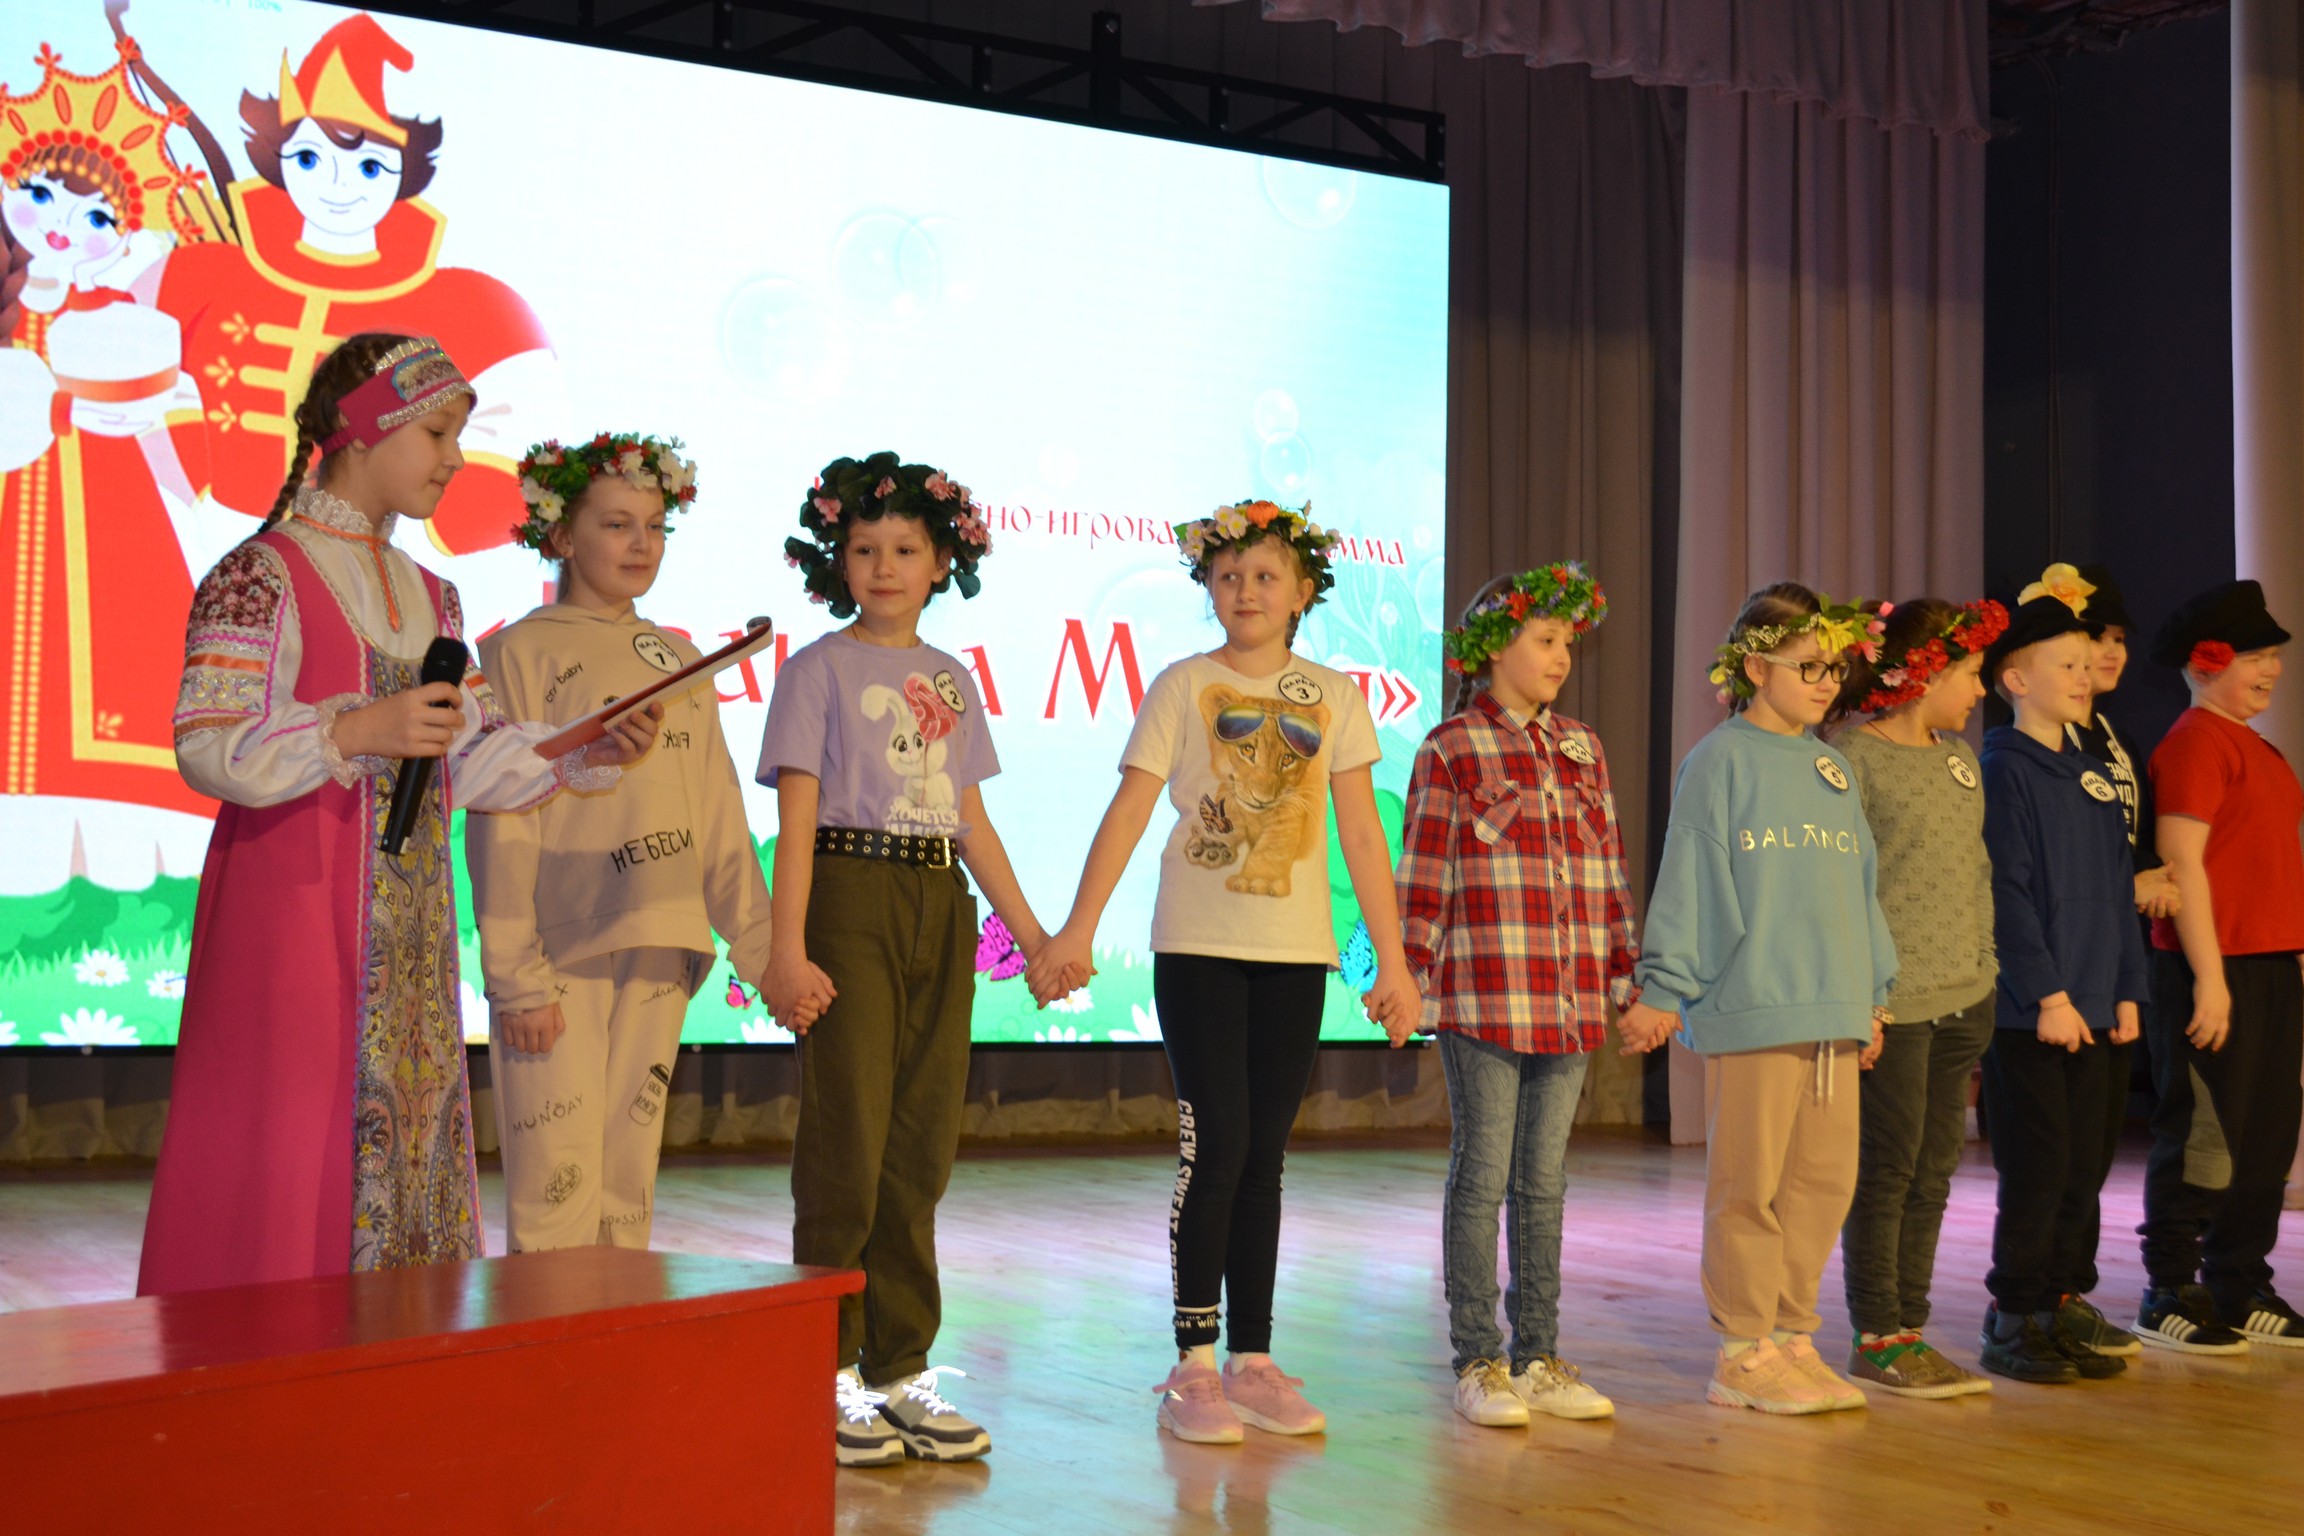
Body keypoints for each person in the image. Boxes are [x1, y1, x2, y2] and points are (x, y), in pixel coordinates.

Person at [136, 334, 657, 1297]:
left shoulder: (434, 596)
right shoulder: (261, 573)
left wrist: (584, 746)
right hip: (290, 913)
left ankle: (390, 1354)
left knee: (403, 1150)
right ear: (361, 431)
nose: (455, 459)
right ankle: (261, 1349)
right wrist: (355, 730)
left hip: (408, 935)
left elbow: (473, 755)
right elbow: (208, 743)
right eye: (436, 433)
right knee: (288, 1144)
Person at [1031, 498, 1419, 1446]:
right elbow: (1129, 811)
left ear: (1303, 590)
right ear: (1206, 584)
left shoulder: (1336, 694)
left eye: (1266, 575)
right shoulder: (1182, 685)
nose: (1246, 590)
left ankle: (1253, 1360)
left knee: (1264, 1156)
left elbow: (1361, 834)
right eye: (1229, 574)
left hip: (1294, 955)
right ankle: (1194, 1366)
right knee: (1218, 1146)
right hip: (1198, 948)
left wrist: (1395, 963)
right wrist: (1078, 928)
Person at [758, 452, 1068, 1466]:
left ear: (942, 562)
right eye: (864, 549)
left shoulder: (951, 678)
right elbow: (796, 823)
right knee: (847, 1146)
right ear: (836, 561)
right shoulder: (816, 671)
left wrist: (1032, 936)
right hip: (850, 895)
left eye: (905, 549)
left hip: (938, 899)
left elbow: (970, 820)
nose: (884, 567)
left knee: (920, 1148)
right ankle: (825, 1374)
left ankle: (901, 1371)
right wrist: (786, 951)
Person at [467, 431, 773, 1253]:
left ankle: (616, 1334)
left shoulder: (680, 657)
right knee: (555, 1186)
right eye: (616, 525)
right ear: (561, 535)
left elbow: (718, 812)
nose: (642, 545)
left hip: (664, 935)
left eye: (655, 527)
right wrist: (515, 978)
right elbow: (500, 815)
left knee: (626, 1187)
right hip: (558, 954)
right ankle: (551, 1335)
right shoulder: (514, 652)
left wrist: (762, 949)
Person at [1617, 583, 1895, 1415]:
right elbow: (1693, 878)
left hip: (1832, 1011)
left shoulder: (1831, 766)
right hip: (1755, 1005)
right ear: (1753, 667)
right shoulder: (1720, 760)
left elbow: (1862, 887)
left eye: (1835, 668)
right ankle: (1742, 1351)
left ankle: (1792, 1335)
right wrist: (1664, 986)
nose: (1826, 682)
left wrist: (1872, 994)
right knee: (1750, 1183)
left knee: (1823, 1182)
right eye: (1808, 666)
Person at [1396, 563, 1630, 1428]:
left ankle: (1539, 1355)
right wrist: (1410, 977)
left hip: (1567, 1001)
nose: (1562, 655)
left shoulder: (1582, 746)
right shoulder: (1451, 748)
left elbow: (1608, 872)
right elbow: (1424, 874)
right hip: (1486, 997)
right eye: (1545, 639)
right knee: (1483, 1173)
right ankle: (1478, 1358)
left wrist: (1624, 972)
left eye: (1568, 642)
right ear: (1494, 648)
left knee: (1545, 1181)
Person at [1825, 595, 2007, 1397]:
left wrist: (1987, 965)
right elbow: (1843, 887)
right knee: (1888, 1169)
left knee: (1935, 1170)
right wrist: (1864, 996)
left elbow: (1976, 870)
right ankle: (1877, 1333)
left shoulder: (1960, 757)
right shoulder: (1851, 759)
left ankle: (1912, 1328)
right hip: (1895, 1004)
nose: (1980, 690)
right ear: (1924, 673)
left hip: (1967, 995)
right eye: (1970, 673)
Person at [1971, 595, 2147, 1384]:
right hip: (2033, 1015)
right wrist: (2048, 995)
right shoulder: (2005, 770)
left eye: (2087, 663)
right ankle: (2011, 1318)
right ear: (2016, 679)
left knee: (2083, 1170)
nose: (2084, 676)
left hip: (2100, 1006)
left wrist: (2128, 989)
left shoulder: (2093, 775)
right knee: (2039, 1170)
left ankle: (2055, 1308)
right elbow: (2006, 895)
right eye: (2066, 665)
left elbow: (2117, 890)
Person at [2135, 580, 2304, 1352]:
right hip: (2213, 965)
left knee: (2266, 1135)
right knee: (2205, 1131)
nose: (2271, 671)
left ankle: (2239, 1282)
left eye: (2273, 657)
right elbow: (2182, 867)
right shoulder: (2196, 743)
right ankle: (2170, 1287)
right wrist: (2210, 978)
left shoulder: (2256, 747)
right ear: (2206, 663)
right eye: (2255, 657)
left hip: (2266, 966)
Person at [2026, 562, 2172, 1359]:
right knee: (2052, 1158)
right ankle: (2031, 1302)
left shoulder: (2111, 739)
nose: (2106, 656)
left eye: (2114, 641)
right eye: (2089, 643)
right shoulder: (2040, 747)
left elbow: (2121, 842)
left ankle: (2068, 1292)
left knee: (2091, 1154)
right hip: (2062, 965)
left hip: (2111, 957)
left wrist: (2144, 876)